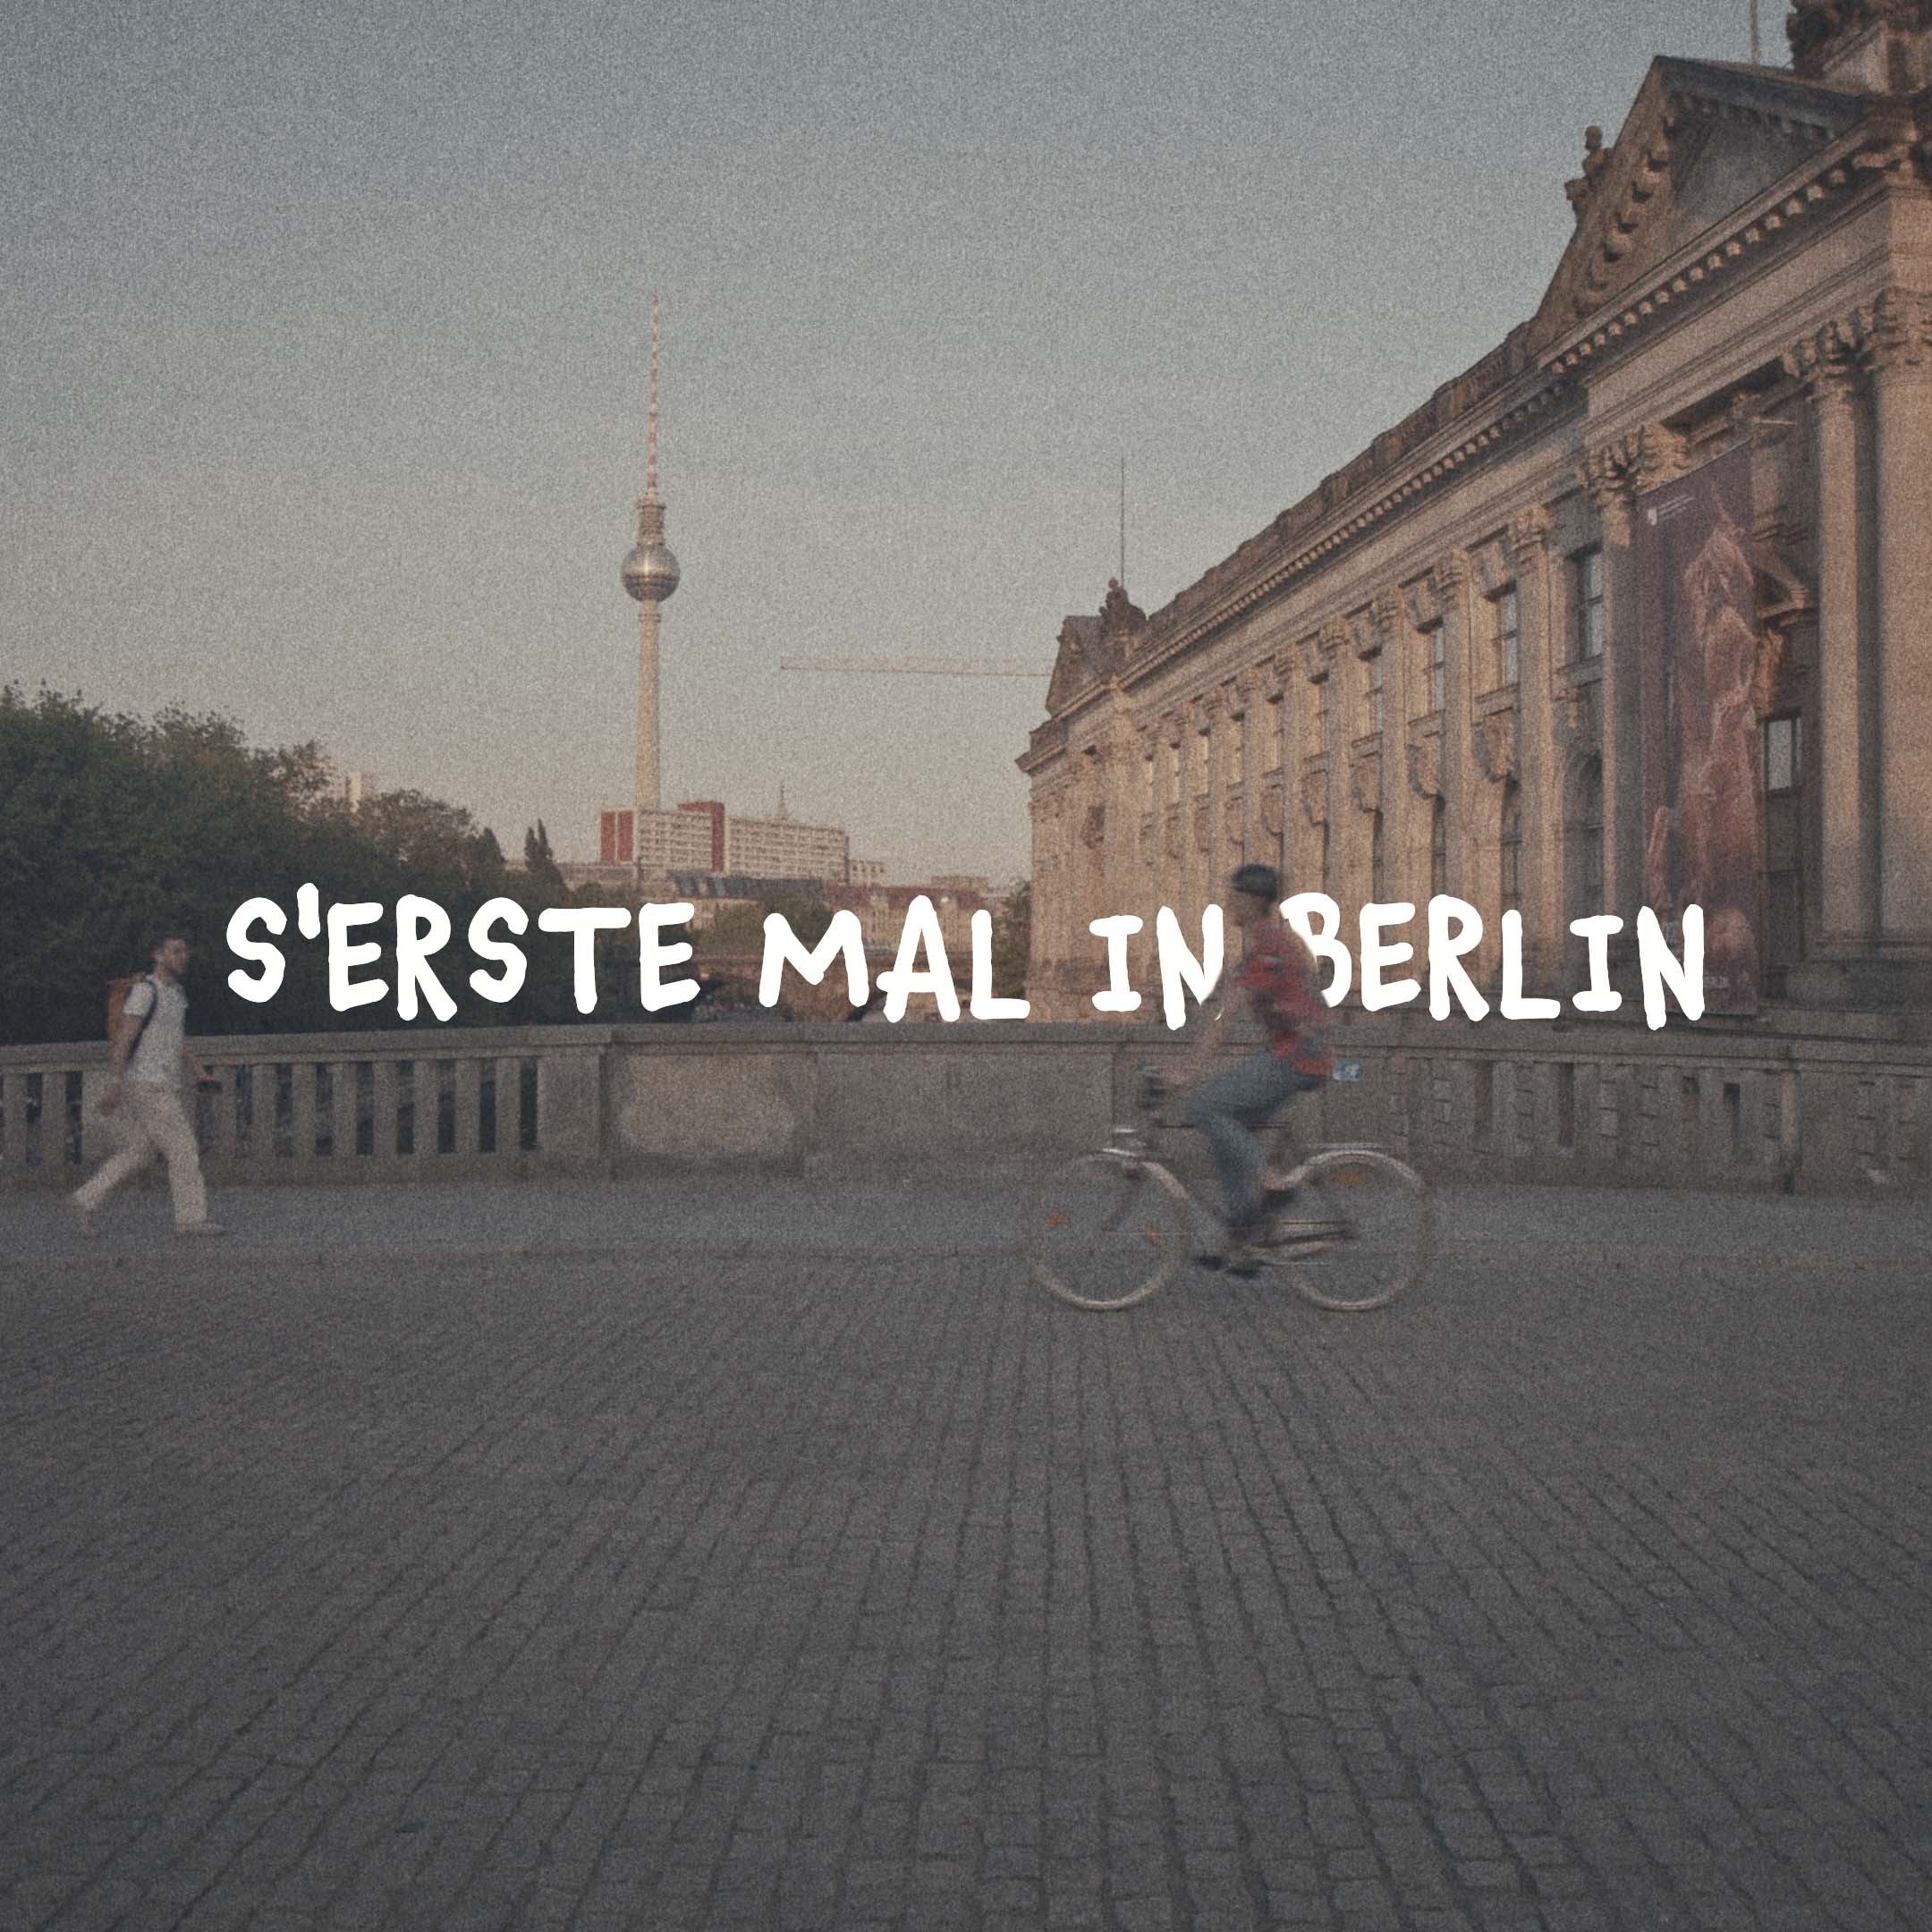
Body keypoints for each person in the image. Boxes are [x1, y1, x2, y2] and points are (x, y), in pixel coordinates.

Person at [1179, 863, 1331, 1274]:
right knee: (1228, 1134)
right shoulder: (1268, 943)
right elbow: (1224, 1005)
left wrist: (1189, 1072)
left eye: (1233, 896)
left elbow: (1225, 1016)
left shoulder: (1270, 948)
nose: (1228, 903)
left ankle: (1272, 1183)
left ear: (1251, 901)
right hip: (1294, 1051)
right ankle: (1244, 1237)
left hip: (1299, 1055)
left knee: (1207, 1106)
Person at [70, 931, 225, 1238]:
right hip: (147, 1083)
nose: (184, 957)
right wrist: (115, 1082)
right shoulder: (144, 992)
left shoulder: (177, 994)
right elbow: (125, 1039)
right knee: (183, 1148)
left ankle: (85, 1199)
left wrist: (198, 1071)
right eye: (176, 951)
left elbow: (175, 1038)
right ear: (158, 955)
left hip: (160, 1082)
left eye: (185, 951)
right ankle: (191, 1219)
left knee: (139, 1151)